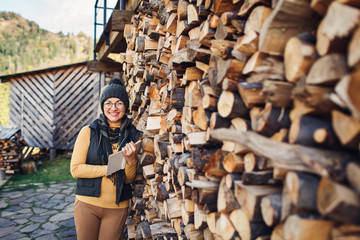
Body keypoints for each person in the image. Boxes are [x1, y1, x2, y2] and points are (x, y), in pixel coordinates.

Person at [70, 77, 142, 240]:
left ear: (125, 106)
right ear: (103, 106)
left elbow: (128, 179)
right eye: (108, 103)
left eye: (119, 103)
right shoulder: (89, 132)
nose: (113, 108)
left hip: (117, 207)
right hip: (87, 204)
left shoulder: (132, 135)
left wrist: (131, 161)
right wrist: (110, 169)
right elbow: (75, 169)